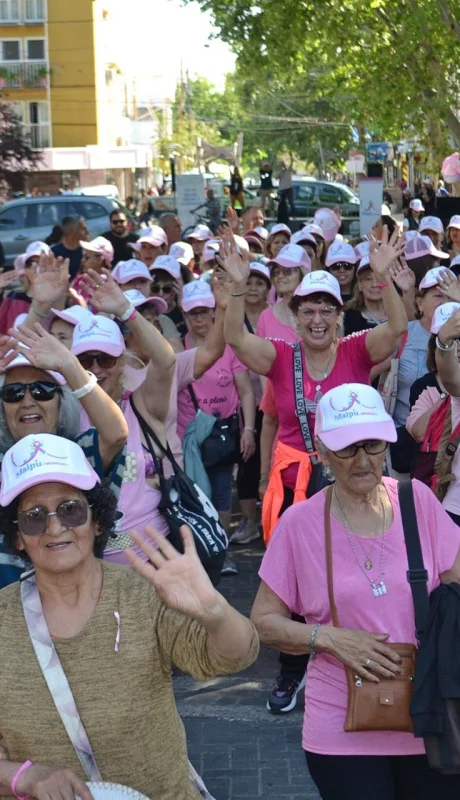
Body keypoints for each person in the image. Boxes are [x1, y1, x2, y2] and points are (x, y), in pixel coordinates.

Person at [0, 433, 259, 799]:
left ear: (98, 520)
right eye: (34, 517)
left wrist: (214, 611)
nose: (55, 528)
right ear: (17, 537)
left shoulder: (143, 594)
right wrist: (22, 777)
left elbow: (234, 656)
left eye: (71, 509)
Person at [223, 227, 408, 713]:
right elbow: (235, 338)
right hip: (294, 492)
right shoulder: (282, 356)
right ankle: (290, 673)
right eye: (309, 308)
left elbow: (397, 329)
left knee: (347, 578)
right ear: (295, 314)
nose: (318, 317)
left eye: (328, 308)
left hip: (356, 486)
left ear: (339, 315)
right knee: (294, 589)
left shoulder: (355, 350)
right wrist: (239, 285)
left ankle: (363, 661)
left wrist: (385, 277)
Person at [251, 382, 460, 800]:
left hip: (430, 717)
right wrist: (328, 639)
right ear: (324, 454)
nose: (364, 460)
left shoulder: (417, 501)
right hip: (340, 725)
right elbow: (263, 621)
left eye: (373, 444)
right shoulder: (300, 524)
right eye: (348, 448)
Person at [0, 321, 128, 589]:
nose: (27, 401)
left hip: (83, 603)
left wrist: (70, 365)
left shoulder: (80, 454)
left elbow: (116, 434)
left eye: (42, 390)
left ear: (62, 400)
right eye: (13, 393)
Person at [177, 280, 256, 543]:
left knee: (222, 492)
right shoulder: (178, 347)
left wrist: (248, 430)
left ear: (214, 310)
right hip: (188, 437)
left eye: (204, 311)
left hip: (222, 434)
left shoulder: (229, 345)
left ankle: (220, 550)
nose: (199, 318)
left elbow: (245, 391)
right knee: (195, 493)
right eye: (192, 313)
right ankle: (200, 548)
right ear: (184, 314)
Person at [389, 266, 453, 474]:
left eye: (450, 294)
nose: (445, 301)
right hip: (409, 445)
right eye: (437, 295)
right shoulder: (401, 335)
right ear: (419, 303)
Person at [232, 263, 271, 545]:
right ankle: (249, 521)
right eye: (251, 283)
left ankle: (271, 515)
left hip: (275, 399)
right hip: (247, 402)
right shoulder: (237, 316)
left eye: (260, 283)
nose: (255, 288)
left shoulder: (278, 316)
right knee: (247, 460)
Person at [256, 243, 310, 344]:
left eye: (287, 271)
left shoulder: (318, 314)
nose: (280, 276)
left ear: (303, 274)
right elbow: (259, 357)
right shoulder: (266, 317)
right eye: (276, 272)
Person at [0, 242, 50, 335]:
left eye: (42, 262)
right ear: (26, 269)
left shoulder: (58, 298)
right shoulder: (13, 297)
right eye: (30, 263)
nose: (35, 267)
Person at [344, 255, 388, 336]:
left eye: (379, 278)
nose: (374, 285)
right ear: (360, 285)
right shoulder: (347, 317)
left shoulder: (401, 312)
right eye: (368, 279)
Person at [150, 254, 187, 339]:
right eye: (155, 288)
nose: (160, 294)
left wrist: (184, 308)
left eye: (167, 289)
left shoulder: (186, 310)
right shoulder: (146, 313)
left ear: (177, 287)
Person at [325, 239, 357, 305]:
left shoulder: (365, 297)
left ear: (355, 268)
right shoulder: (322, 297)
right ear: (328, 269)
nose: (342, 270)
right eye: (335, 266)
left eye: (347, 265)